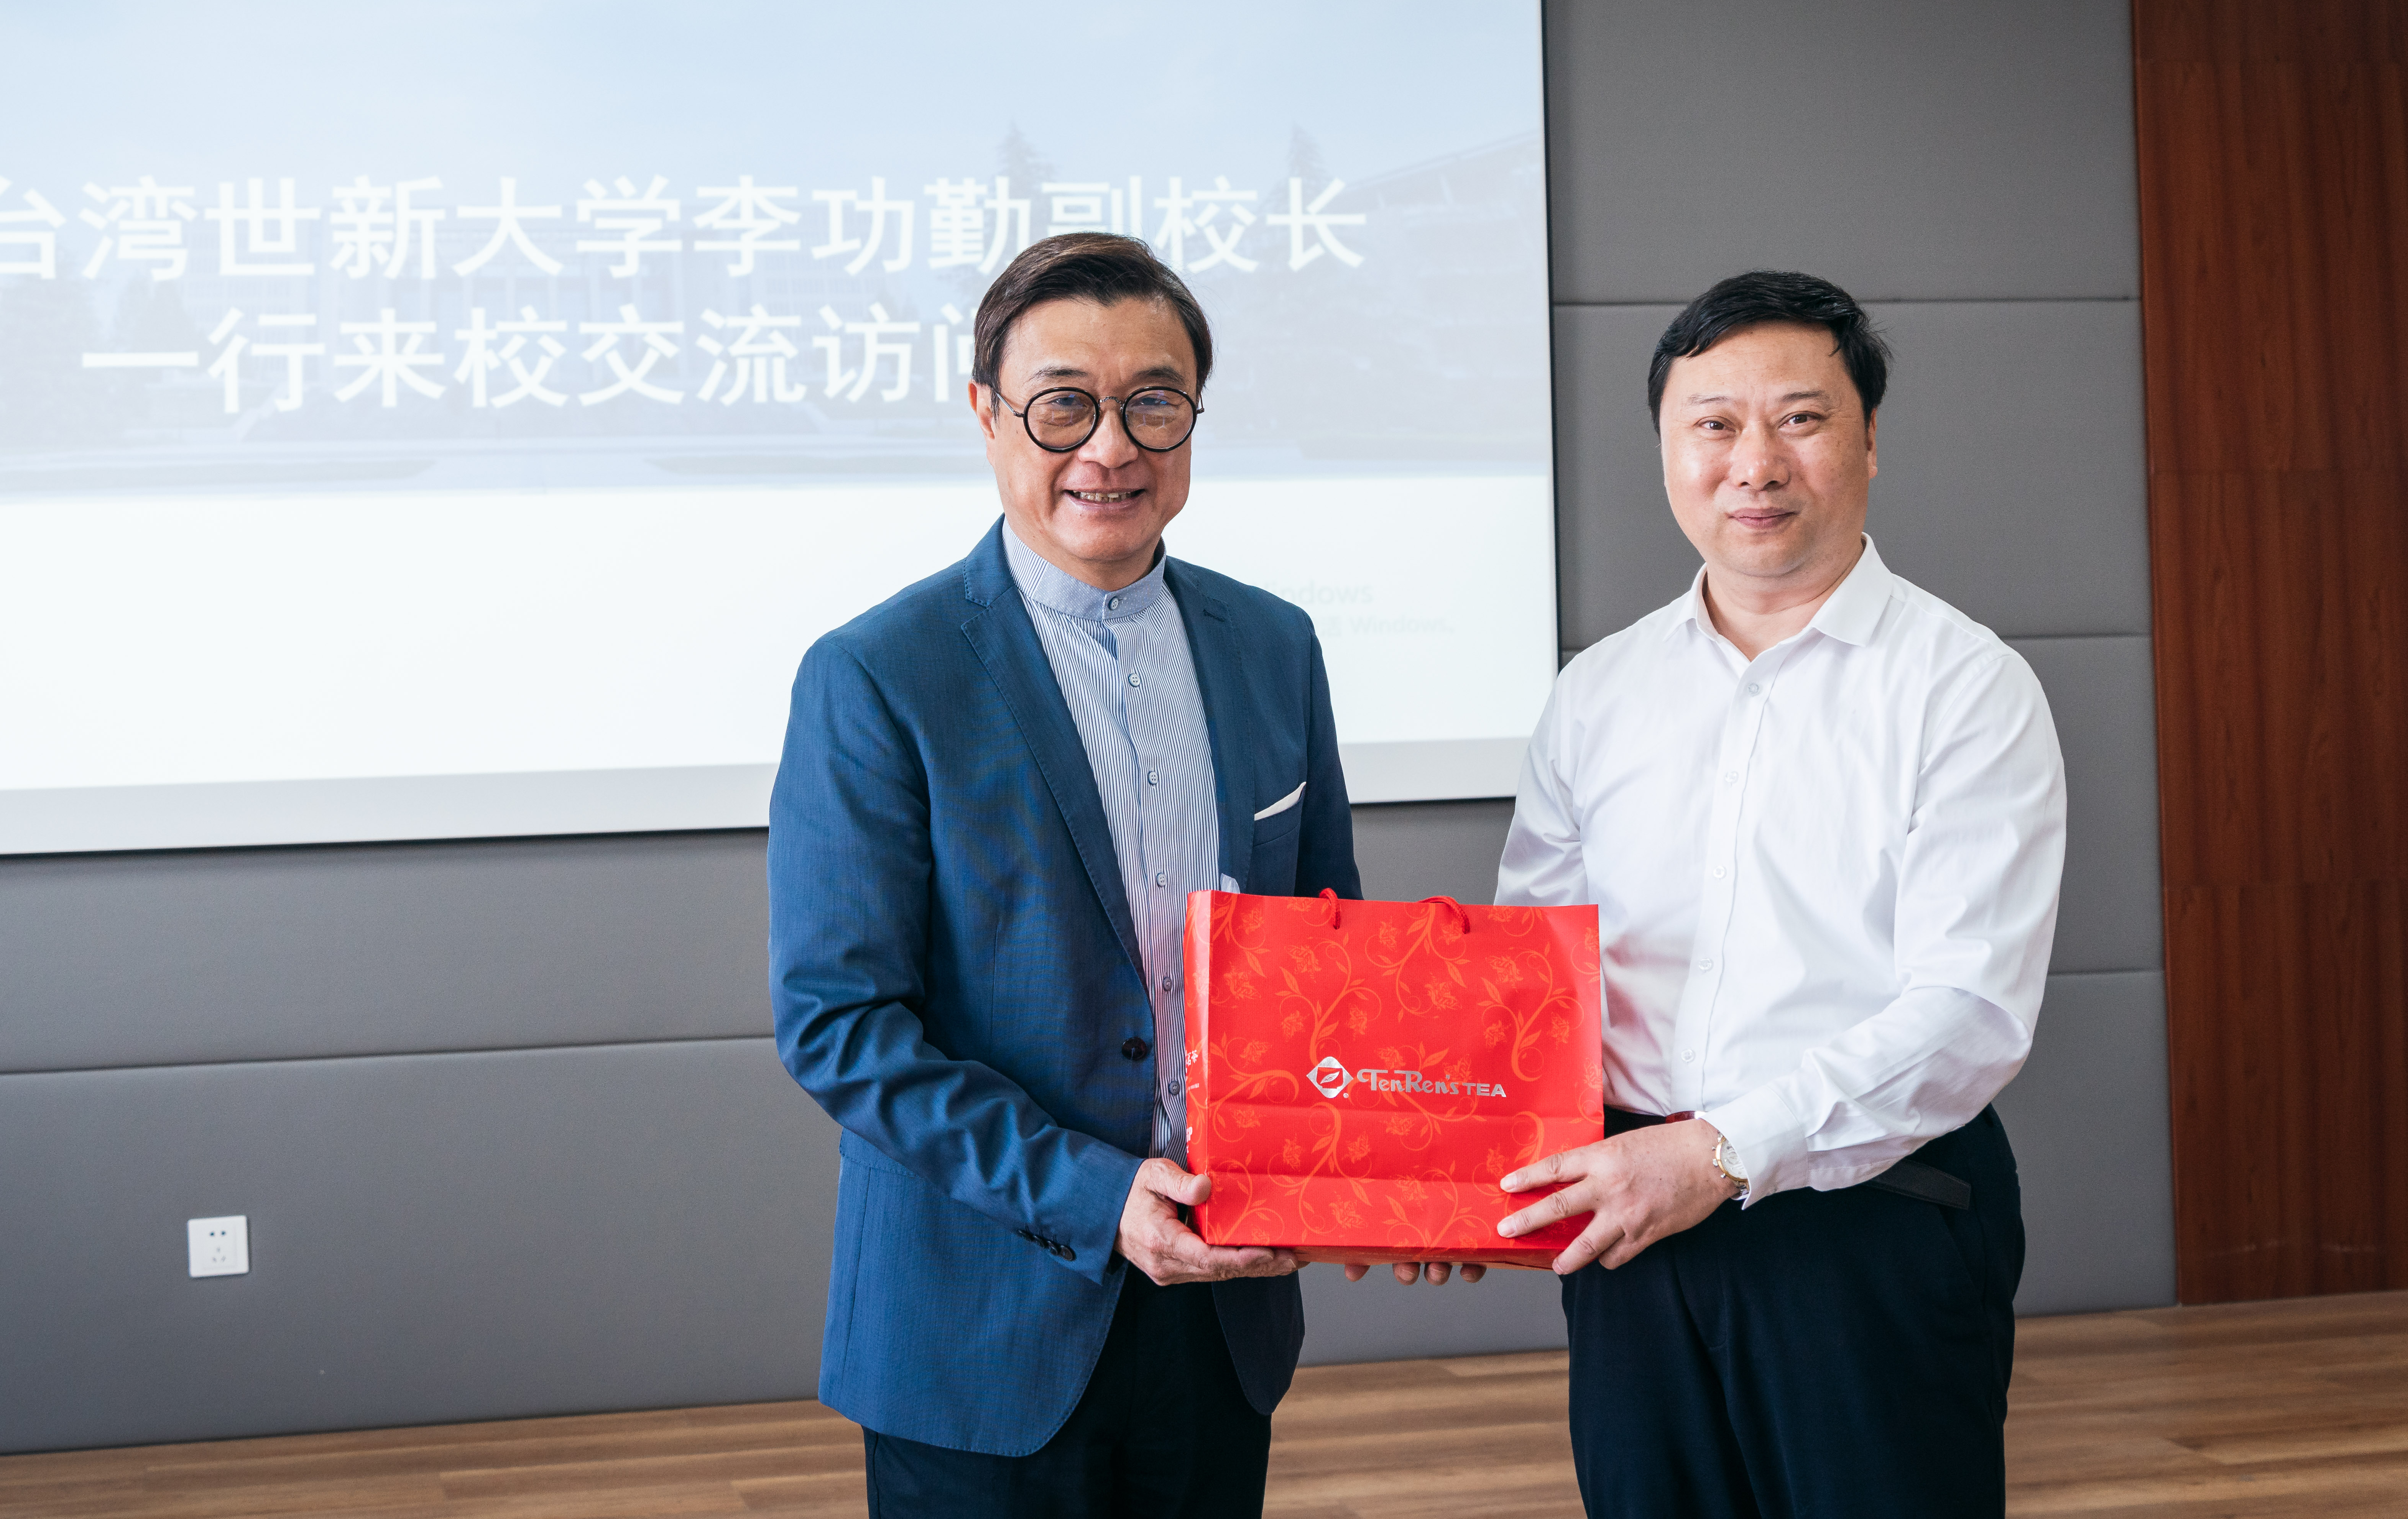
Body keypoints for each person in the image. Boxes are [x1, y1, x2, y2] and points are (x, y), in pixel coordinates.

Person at [768, 233, 1359, 1517]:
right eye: (1062, 406)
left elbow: (1329, 954)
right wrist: (1099, 1198)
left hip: (1223, 1300)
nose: (1110, 448)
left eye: (1152, 402)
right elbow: (841, 1027)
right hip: (980, 1319)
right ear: (986, 414)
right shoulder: (877, 675)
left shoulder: (1275, 645)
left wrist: (1385, 1178)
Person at [1489, 270, 2064, 1517]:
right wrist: (1450, 1178)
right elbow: (1536, 970)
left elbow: (1967, 1010)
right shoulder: (1598, 692)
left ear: (1868, 440)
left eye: (1799, 420)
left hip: (1867, 1219)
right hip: (1632, 1218)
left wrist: (1718, 1153)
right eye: (1712, 424)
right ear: (1664, 450)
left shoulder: (1964, 688)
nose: (1753, 463)